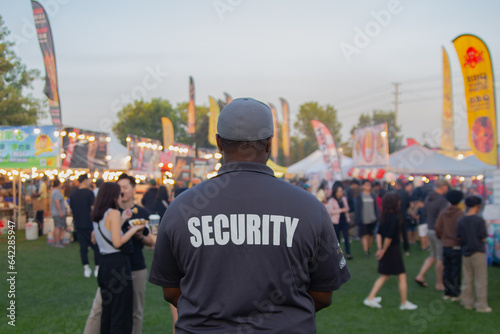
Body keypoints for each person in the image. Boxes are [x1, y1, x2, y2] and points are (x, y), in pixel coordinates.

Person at [149, 97, 350, 333]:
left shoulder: (181, 208)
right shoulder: (310, 207)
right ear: (269, 145)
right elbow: (323, 294)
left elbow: (171, 291)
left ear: (219, 143)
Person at [84, 173, 155, 334]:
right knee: (100, 309)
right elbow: (98, 239)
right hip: (115, 267)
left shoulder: (142, 213)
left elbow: (152, 241)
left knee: (135, 312)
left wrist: (140, 236)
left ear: (133, 189)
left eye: (125, 187)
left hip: (135, 266)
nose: (122, 191)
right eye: (119, 188)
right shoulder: (111, 211)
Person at [363, 191, 418, 310]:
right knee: (401, 276)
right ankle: (403, 303)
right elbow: (388, 236)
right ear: (394, 203)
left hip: (388, 249)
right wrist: (382, 250)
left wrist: (380, 249)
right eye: (398, 201)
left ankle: (371, 298)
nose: (399, 202)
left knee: (385, 275)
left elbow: (379, 233)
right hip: (393, 250)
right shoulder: (394, 218)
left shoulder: (384, 215)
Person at [457, 195, 492, 312]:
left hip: (466, 251)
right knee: (481, 279)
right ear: (478, 206)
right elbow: (483, 237)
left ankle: (467, 302)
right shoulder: (479, 220)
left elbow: (459, 237)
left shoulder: (461, 220)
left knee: (467, 278)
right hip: (478, 251)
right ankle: (481, 305)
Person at [414, 179, 449, 290]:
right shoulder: (442, 200)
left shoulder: (428, 198)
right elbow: (444, 217)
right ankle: (439, 283)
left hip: (429, 228)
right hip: (438, 231)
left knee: (433, 256)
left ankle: (421, 275)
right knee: (440, 258)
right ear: (443, 187)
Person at [435, 190, 464, 301]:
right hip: (456, 245)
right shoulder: (460, 214)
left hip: (445, 245)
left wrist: (442, 238)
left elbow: (438, 228)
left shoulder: (443, 213)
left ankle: (447, 291)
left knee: (447, 269)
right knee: (455, 270)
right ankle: (455, 293)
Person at [70, 174, 100, 278]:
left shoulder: (73, 194)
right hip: (89, 224)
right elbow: (93, 209)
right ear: (85, 181)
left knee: (83, 247)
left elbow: (72, 209)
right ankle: (97, 268)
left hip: (78, 224)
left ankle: (86, 268)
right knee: (96, 246)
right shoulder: (89, 193)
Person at [326, 183, 352, 259]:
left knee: (346, 237)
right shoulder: (331, 200)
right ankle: (338, 254)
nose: (341, 193)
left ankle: (348, 253)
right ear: (335, 192)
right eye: (339, 191)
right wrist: (341, 210)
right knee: (337, 239)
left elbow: (347, 208)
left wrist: (343, 210)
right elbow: (331, 211)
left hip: (344, 220)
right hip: (336, 222)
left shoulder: (343, 199)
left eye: (341, 191)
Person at [356, 179, 379, 256]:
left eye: (369, 185)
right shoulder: (360, 195)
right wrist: (358, 218)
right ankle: (366, 251)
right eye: (366, 185)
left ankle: (369, 248)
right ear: (363, 186)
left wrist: (377, 216)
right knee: (365, 235)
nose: (368, 186)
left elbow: (376, 207)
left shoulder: (373, 195)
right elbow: (358, 208)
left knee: (371, 235)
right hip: (364, 219)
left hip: (372, 219)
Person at [50, 178, 66, 248]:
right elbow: (57, 202)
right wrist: (60, 212)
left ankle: (55, 240)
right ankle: (57, 242)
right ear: (59, 184)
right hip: (57, 213)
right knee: (58, 227)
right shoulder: (56, 192)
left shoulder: (54, 191)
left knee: (56, 226)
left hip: (55, 212)